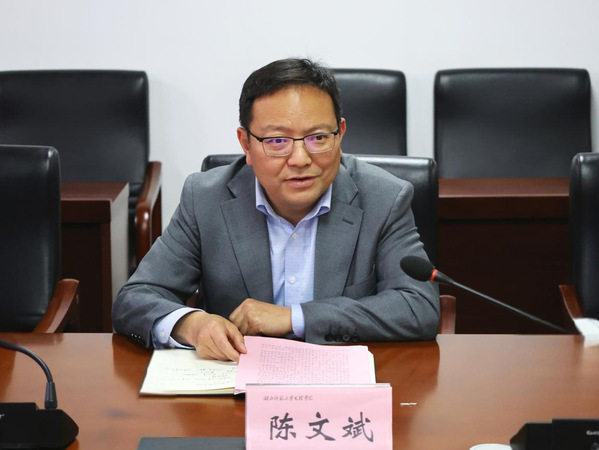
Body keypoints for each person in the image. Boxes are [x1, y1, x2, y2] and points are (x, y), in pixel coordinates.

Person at [112, 58, 439, 362]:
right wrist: (192, 325)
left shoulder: (384, 198)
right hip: (233, 390)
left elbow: (419, 306)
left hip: (341, 384)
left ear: (340, 134)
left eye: (318, 137)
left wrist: (294, 318)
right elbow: (135, 298)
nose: (300, 159)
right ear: (246, 144)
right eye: (277, 141)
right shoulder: (206, 198)